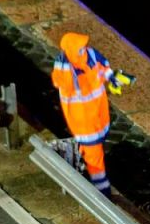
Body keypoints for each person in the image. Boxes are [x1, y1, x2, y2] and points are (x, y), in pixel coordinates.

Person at [50, 32, 132, 195]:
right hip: (84, 122)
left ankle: (78, 163)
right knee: (95, 155)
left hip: (97, 114)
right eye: (79, 49)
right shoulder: (66, 69)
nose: (84, 50)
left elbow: (102, 68)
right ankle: (101, 189)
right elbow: (61, 81)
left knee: (91, 150)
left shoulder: (90, 55)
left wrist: (113, 77)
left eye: (83, 47)